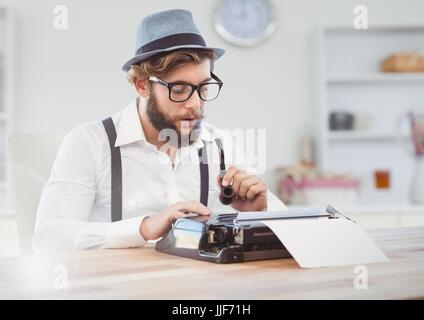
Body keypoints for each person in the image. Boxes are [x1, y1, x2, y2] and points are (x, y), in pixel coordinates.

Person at [33, 9, 286, 254]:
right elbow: (48, 238)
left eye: (203, 88)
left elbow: (290, 226)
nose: (195, 104)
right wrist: (143, 228)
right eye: (179, 90)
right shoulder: (88, 143)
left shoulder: (220, 143)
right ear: (142, 85)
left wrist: (255, 215)